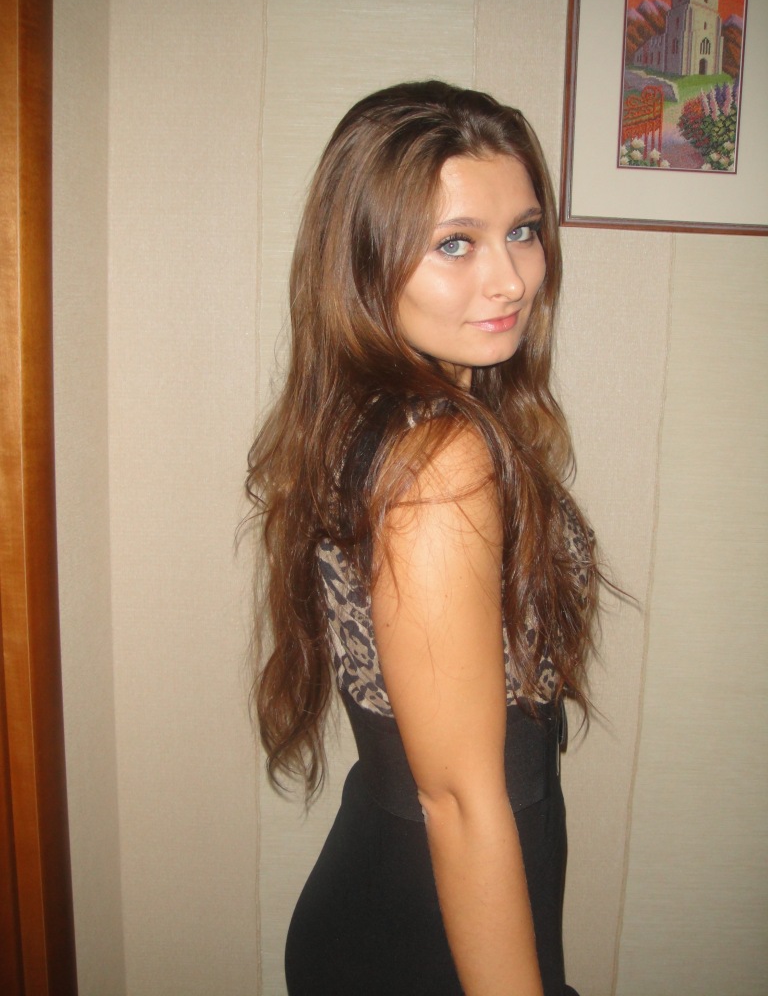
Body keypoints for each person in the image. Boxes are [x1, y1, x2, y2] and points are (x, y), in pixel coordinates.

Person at [247, 80, 599, 996]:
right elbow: (458, 798)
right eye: (456, 243)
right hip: (428, 927)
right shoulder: (440, 457)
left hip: (409, 886)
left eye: (524, 231)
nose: (511, 279)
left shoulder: (382, 415)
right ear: (364, 263)